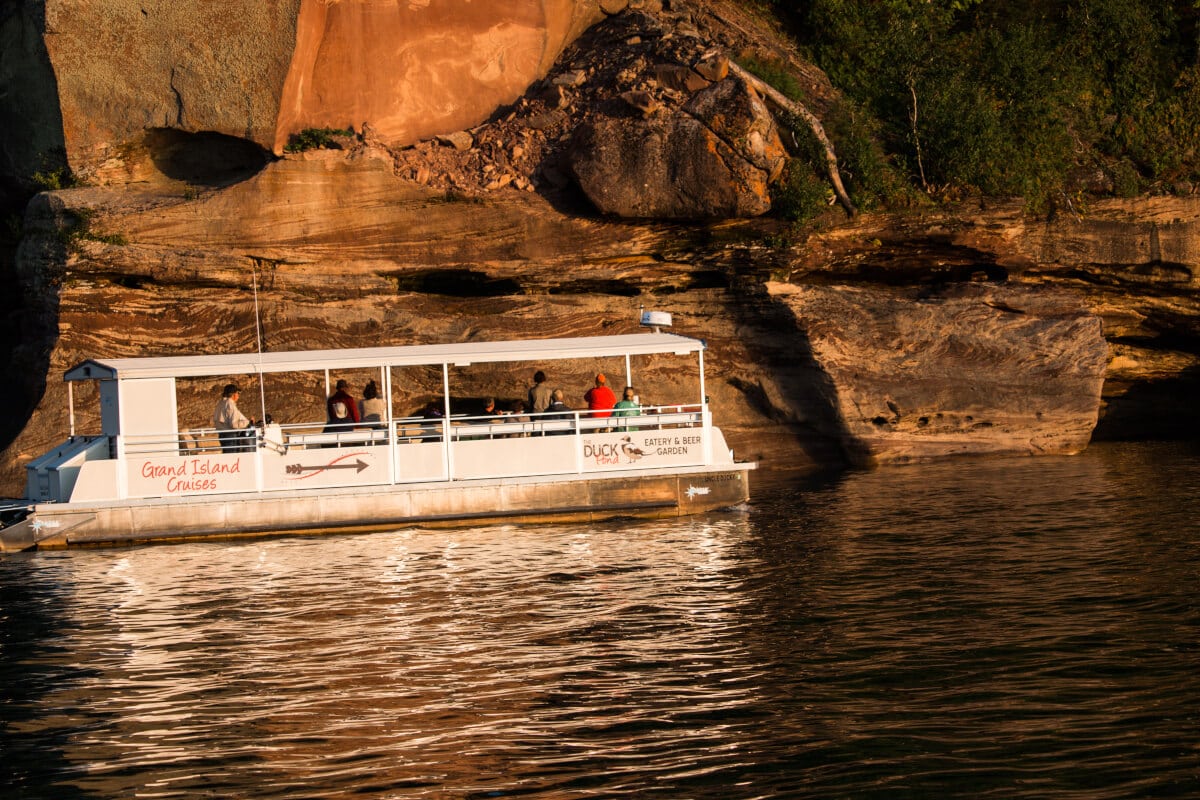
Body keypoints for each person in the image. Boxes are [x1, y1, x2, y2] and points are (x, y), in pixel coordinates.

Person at [213, 383, 254, 453]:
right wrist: (248, 422)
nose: (238, 395)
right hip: (230, 436)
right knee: (233, 457)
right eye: (238, 393)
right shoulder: (230, 404)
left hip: (223, 435)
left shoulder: (221, 403)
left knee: (228, 456)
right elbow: (234, 424)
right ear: (233, 394)